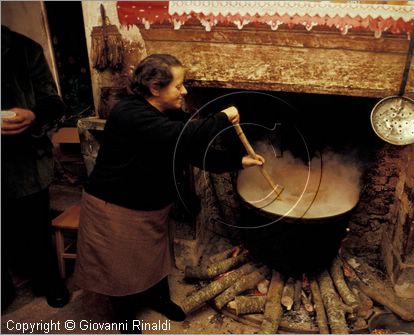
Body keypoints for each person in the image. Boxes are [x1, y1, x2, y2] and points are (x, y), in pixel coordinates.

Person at [74, 54, 264, 333]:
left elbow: (193, 149)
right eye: (179, 85)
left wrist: (238, 162)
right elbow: (184, 135)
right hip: (115, 205)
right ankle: (124, 316)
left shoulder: (170, 114)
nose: (184, 91)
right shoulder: (128, 113)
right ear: (155, 88)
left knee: (154, 261)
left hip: (151, 204)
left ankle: (158, 299)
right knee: (119, 268)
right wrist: (222, 117)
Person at [1, 25, 70, 310]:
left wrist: (35, 115)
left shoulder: (24, 48)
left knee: (35, 226)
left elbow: (54, 103)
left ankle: (49, 283)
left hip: (24, 162)